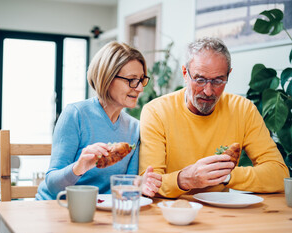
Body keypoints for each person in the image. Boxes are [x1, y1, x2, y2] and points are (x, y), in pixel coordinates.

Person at [139, 37, 289, 198]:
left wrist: (225, 175)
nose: (208, 91)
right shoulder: (156, 111)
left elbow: (279, 174)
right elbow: (148, 183)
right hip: (170, 211)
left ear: (228, 75)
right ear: (185, 73)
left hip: (223, 213)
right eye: (200, 80)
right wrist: (185, 179)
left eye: (218, 81)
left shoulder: (243, 109)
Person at [36, 41, 162, 200]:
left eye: (141, 80)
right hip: (57, 207)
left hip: (101, 212)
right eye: (131, 80)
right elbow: (53, 186)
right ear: (107, 78)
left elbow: (124, 189)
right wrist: (78, 167)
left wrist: (138, 186)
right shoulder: (75, 115)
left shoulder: (134, 128)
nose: (140, 88)